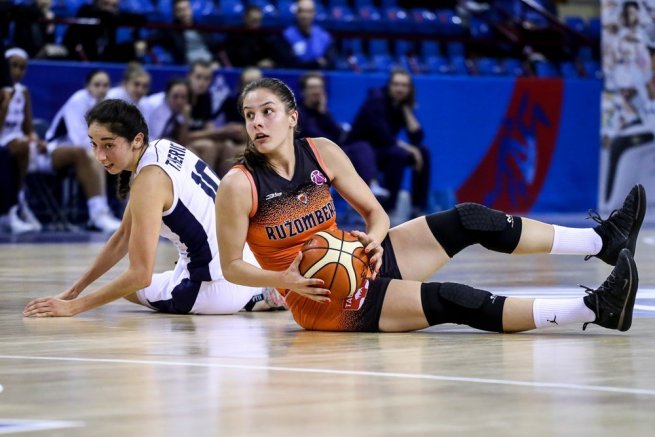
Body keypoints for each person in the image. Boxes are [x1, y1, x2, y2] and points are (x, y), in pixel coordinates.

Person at [215, 77, 644, 335]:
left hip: (359, 255)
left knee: (469, 218)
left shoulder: (322, 151)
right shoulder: (239, 184)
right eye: (249, 115)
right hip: (325, 298)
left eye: (267, 111)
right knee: (454, 299)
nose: (257, 123)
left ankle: (603, 239)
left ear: (292, 117)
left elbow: (375, 214)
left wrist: (377, 240)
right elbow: (232, 265)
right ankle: (595, 309)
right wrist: (283, 278)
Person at [23, 99, 286, 317]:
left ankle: (251, 299)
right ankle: (258, 293)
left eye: (109, 145)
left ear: (136, 140)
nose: (100, 156)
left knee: (128, 288)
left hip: (214, 289)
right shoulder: (163, 147)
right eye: (94, 144)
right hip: (247, 267)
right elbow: (123, 236)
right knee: (144, 276)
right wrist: (74, 289)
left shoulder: (148, 181)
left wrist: (72, 307)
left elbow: (139, 276)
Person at [345, 68, 431, 219]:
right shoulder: (376, 101)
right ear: (389, 85)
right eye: (396, 84)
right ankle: (388, 208)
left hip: (383, 149)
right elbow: (383, 136)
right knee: (398, 154)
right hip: (363, 151)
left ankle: (418, 207)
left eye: (404, 86)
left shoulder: (399, 105)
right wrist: (410, 149)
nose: (400, 89)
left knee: (423, 152)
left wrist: (406, 110)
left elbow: (417, 138)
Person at [43, 69, 122, 232]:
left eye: (105, 85)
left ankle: (121, 212)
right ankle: (98, 213)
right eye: (97, 85)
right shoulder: (78, 100)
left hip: (84, 151)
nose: (101, 88)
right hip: (57, 147)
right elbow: (79, 138)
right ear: (88, 86)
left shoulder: (107, 105)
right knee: (95, 157)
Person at [296, 71, 388, 199]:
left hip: (331, 152)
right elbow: (316, 135)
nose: (317, 91)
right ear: (303, 91)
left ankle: (371, 186)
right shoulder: (298, 112)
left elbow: (338, 135)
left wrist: (324, 113)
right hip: (310, 156)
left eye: (319, 87)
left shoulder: (322, 111)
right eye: (312, 88)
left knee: (362, 147)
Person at [62, 0, 147, 63]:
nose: (109, 9)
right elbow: (105, 16)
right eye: (106, 4)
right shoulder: (86, 10)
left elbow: (142, 19)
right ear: (97, 3)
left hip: (106, 58)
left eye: (114, 6)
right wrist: (118, 17)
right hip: (80, 56)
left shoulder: (114, 19)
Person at [282, 0, 336, 70]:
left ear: (314, 13)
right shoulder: (286, 36)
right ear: (296, 13)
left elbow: (329, 63)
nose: (305, 15)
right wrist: (316, 62)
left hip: (319, 77)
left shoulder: (324, 36)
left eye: (309, 11)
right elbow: (287, 62)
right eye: (301, 11)